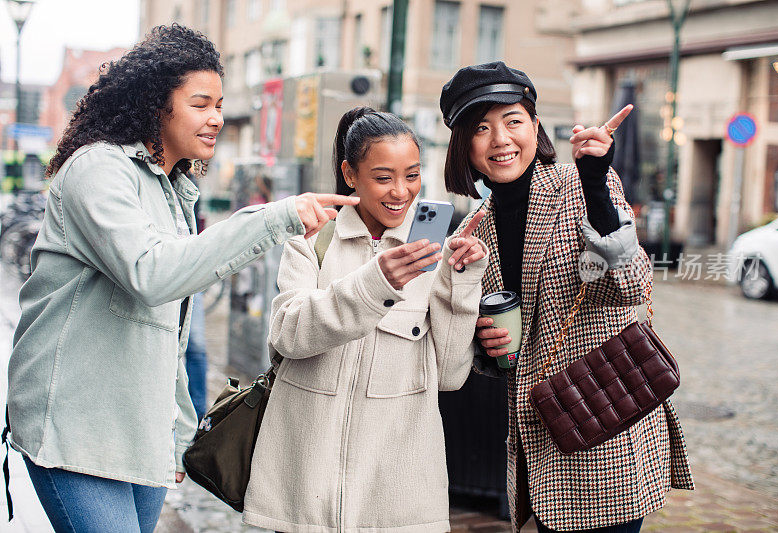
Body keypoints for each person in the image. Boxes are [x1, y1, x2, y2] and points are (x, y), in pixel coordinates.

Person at [5, 25, 356, 533]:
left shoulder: (174, 188)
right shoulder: (96, 171)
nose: (215, 118)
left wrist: (172, 432)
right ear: (155, 104)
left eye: (219, 104)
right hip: (73, 426)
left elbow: (165, 331)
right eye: (200, 104)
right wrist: (273, 218)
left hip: (137, 428)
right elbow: (152, 275)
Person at [439, 62, 694, 532]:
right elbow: (501, 343)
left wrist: (597, 182)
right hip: (538, 446)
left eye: (513, 121)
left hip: (604, 433)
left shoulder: (581, 186)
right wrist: (485, 345)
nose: (501, 139)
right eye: (481, 128)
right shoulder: (475, 226)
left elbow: (631, 287)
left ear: (535, 126)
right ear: (464, 146)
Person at [243, 108, 489, 532]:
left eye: (412, 176)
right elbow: (288, 335)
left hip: (395, 504)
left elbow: (449, 374)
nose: (401, 191)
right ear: (350, 174)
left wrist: (459, 283)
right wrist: (376, 284)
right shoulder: (312, 240)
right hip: (302, 497)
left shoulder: (434, 254)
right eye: (383, 177)